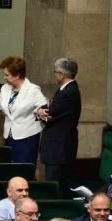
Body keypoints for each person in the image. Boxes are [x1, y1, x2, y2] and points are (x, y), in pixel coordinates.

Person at [36, 57, 82, 194]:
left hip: (59, 150)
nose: (55, 74)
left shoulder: (67, 92)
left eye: (55, 72)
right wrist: (41, 111)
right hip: (59, 148)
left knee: (54, 189)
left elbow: (49, 116)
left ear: (62, 74)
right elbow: (48, 107)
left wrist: (40, 113)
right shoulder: (65, 89)